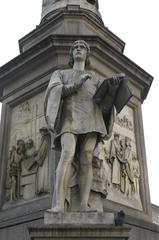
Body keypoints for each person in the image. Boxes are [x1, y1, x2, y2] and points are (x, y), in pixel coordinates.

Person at [44, 40, 121, 212]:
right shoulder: (61, 73)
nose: (79, 49)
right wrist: (77, 84)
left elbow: (105, 103)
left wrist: (114, 89)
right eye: (76, 47)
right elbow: (56, 91)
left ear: (87, 55)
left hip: (92, 119)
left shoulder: (97, 78)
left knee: (86, 157)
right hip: (69, 118)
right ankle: (58, 204)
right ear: (71, 54)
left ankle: (84, 204)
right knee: (67, 154)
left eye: (83, 48)